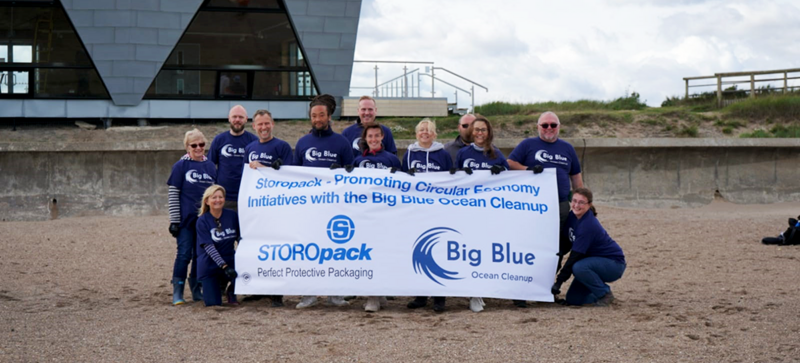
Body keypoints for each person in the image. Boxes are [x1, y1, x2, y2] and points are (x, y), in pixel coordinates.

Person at [293, 94, 354, 309]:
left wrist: (346, 172)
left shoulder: (342, 142)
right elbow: (294, 175)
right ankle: (308, 294)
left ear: (328, 116)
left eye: (321, 115)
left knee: (335, 251)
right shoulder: (302, 143)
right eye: (314, 115)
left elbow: (353, 173)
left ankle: (335, 294)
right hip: (309, 208)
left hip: (335, 208)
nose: (317, 118)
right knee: (307, 251)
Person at [507, 111, 584, 274]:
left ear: (559, 127)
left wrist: (583, 201)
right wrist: (527, 169)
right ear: (538, 127)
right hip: (533, 206)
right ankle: (525, 281)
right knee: (532, 243)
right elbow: (509, 163)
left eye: (553, 125)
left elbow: (576, 177)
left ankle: (546, 284)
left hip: (560, 205)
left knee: (558, 246)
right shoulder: (528, 144)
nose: (549, 128)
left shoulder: (568, 148)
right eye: (545, 125)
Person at [453, 115, 508, 312]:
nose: (479, 133)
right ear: (471, 132)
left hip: (489, 212)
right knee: (470, 251)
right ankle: (473, 294)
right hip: (468, 211)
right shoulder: (463, 153)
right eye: (476, 129)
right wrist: (460, 174)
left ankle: (481, 290)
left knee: (485, 251)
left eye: (483, 130)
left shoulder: (497, 154)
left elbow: (512, 181)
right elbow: (455, 181)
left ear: (488, 132)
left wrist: (501, 170)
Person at [403, 118, 452, 313]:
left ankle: (439, 297)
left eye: (429, 130)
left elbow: (451, 179)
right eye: (421, 130)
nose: (425, 133)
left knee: (438, 250)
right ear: (416, 133)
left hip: (437, 210)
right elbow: (402, 179)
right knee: (418, 251)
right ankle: (421, 295)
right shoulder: (409, 154)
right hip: (416, 211)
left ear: (434, 134)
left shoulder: (443, 154)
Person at [551, 188, 625, 306]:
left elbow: (574, 256)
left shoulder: (588, 225)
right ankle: (596, 294)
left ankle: (604, 294)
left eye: (581, 202)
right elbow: (566, 242)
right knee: (573, 300)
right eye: (574, 201)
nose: (576, 205)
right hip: (591, 263)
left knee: (579, 267)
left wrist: (559, 282)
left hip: (613, 264)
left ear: (589, 204)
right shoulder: (572, 217)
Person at [167, 129, 217, 305]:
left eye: (201, 144)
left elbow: (214, 195)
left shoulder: (210, 166)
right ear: (187, 147)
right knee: (184, 254)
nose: (198, 148)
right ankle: (178, 290)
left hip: (203, 221)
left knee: (200, 255)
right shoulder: (180, 166)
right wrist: (174, 220)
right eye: (194, 145)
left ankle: (197, 289)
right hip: (185, 220)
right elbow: (174, 193)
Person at [196, 185, 240, 307]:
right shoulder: (202, 220)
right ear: (207, 201)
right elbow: (209, 248)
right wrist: (225, 267)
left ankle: (231, 291)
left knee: (245, 268)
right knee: (213, 303)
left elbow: (240, 238)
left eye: (220, 197)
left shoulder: (232, 216)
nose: (218, 200)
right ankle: (217, 285)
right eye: (214, 197)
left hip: (230, 259)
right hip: (209, 264)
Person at [208, 105, 258, 210]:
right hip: (223, 197)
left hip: (247, 196)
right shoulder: (219, 140)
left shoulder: (254, 141)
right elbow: (210, 166)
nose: (237, 120)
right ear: (229, 118)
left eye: (241, 117)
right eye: (234, 117)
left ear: (246, 119)